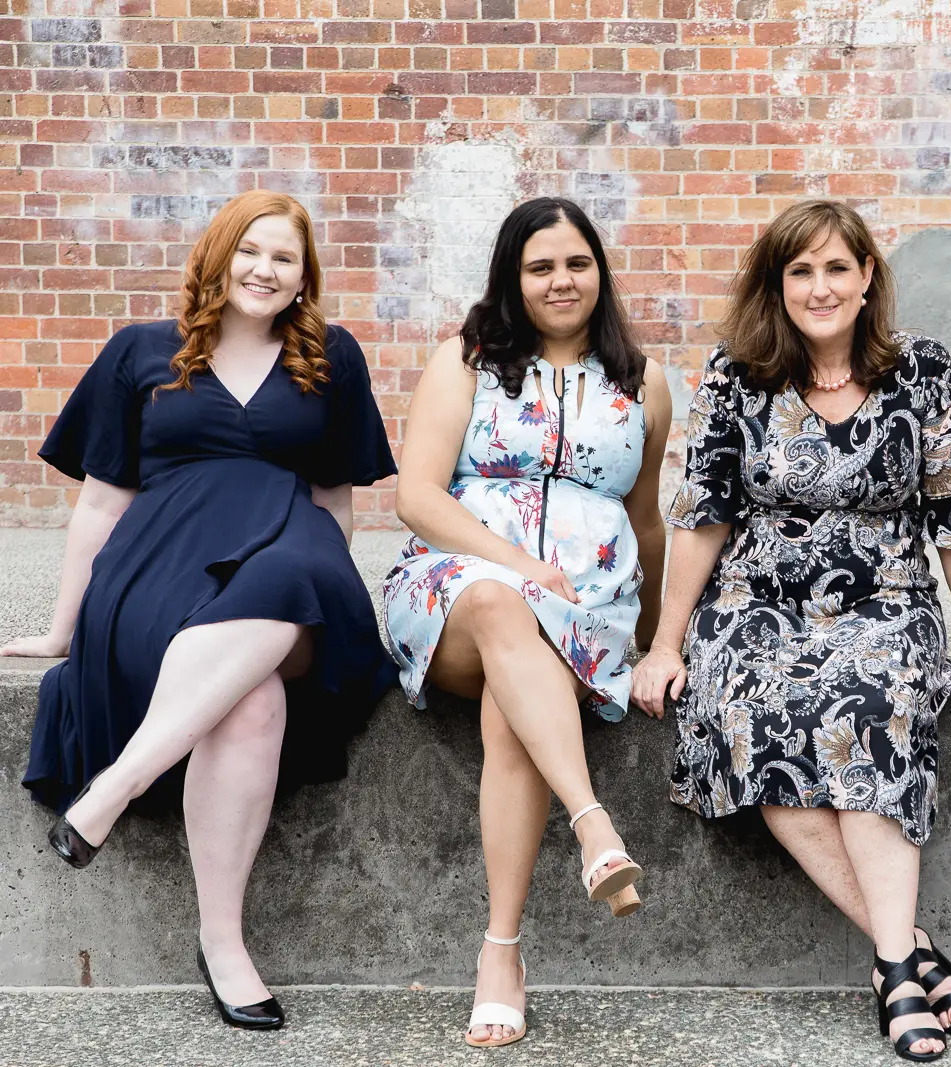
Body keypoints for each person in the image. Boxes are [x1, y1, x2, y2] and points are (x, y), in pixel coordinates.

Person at [5, 190, 397, 1030]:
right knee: (250, 698)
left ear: (304, 278)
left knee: (293, 576)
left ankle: (112, 789)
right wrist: (61, 628)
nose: (265, 269)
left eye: (285, 258)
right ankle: (224, 945)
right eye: (250, 251)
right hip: (159, 563)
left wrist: (333, 578)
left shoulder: (332, 357)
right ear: (217, 258)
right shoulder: (139, 353)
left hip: (293, 554)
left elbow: (335, 501)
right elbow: (103, 503)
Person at [631, 199, 951, 1062]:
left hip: (887, 602)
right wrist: (665, 641)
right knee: (752, 713)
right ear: (778, 283)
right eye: (800, 270)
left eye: (837, 267)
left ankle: (890, 961)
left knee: (870, 704)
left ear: (868, 276)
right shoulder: (736, 373)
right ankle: (909, 959)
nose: (820, 286)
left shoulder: (922, 371)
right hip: (755, 605)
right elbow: (701, 516)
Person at [383, 197, 670, 1050]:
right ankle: (593, 822)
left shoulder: (641, 380)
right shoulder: (465, 360)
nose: (560, 280)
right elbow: (417, 494)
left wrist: (661, 641)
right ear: (514, 276)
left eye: (577, 263)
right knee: (503, 607)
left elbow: (648, 519)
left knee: (518, 690)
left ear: (599, 271)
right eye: (540, 266)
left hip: (584, 612)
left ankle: (500, 953)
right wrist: (513, 564)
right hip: (454, 593)